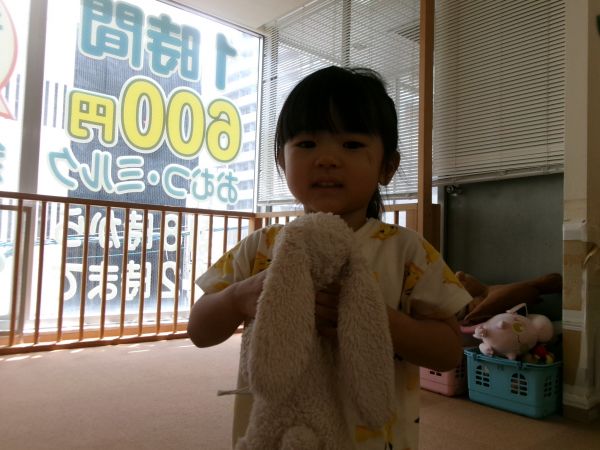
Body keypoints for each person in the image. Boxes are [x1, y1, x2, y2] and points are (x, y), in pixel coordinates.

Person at [187, 66, 472, 450]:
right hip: (275, 436)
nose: (326, 159)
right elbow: (199, 330)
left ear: (387, 167)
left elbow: (448, 350)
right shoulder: (261, 247)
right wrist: (238, 298)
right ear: (282, 161)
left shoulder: (408, 251)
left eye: (351, 144)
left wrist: (372, 318)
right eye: (307, 143)